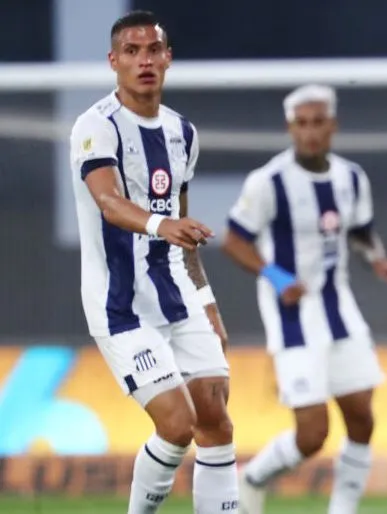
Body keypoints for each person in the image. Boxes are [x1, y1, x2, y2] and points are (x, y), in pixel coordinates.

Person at [69, 10, 238, 514]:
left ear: (167, 59)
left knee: (216, 419)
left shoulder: (182, 133)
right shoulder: (95, 126)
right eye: (132, 51)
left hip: (176, 294)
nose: (144, 60)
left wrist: (206, 299)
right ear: (114, 61)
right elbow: (109, 203)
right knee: (176, 425)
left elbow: (182, 224)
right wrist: (162, 225)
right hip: (120, 305)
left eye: (153, 50)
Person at [222, 84, 387, 514]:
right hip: (293, 316)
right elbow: (234, 240)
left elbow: (358, 231)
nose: (310, 132)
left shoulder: (351, 178)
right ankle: (251, 478)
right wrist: (278, 276)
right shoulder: (269, 182)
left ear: (332, 125)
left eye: (318, 122)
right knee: (311, 434)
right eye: (301, 124)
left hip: (339, 308)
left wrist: (378, 260)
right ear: (291, 128)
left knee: (362, 416)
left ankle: (343, 510)